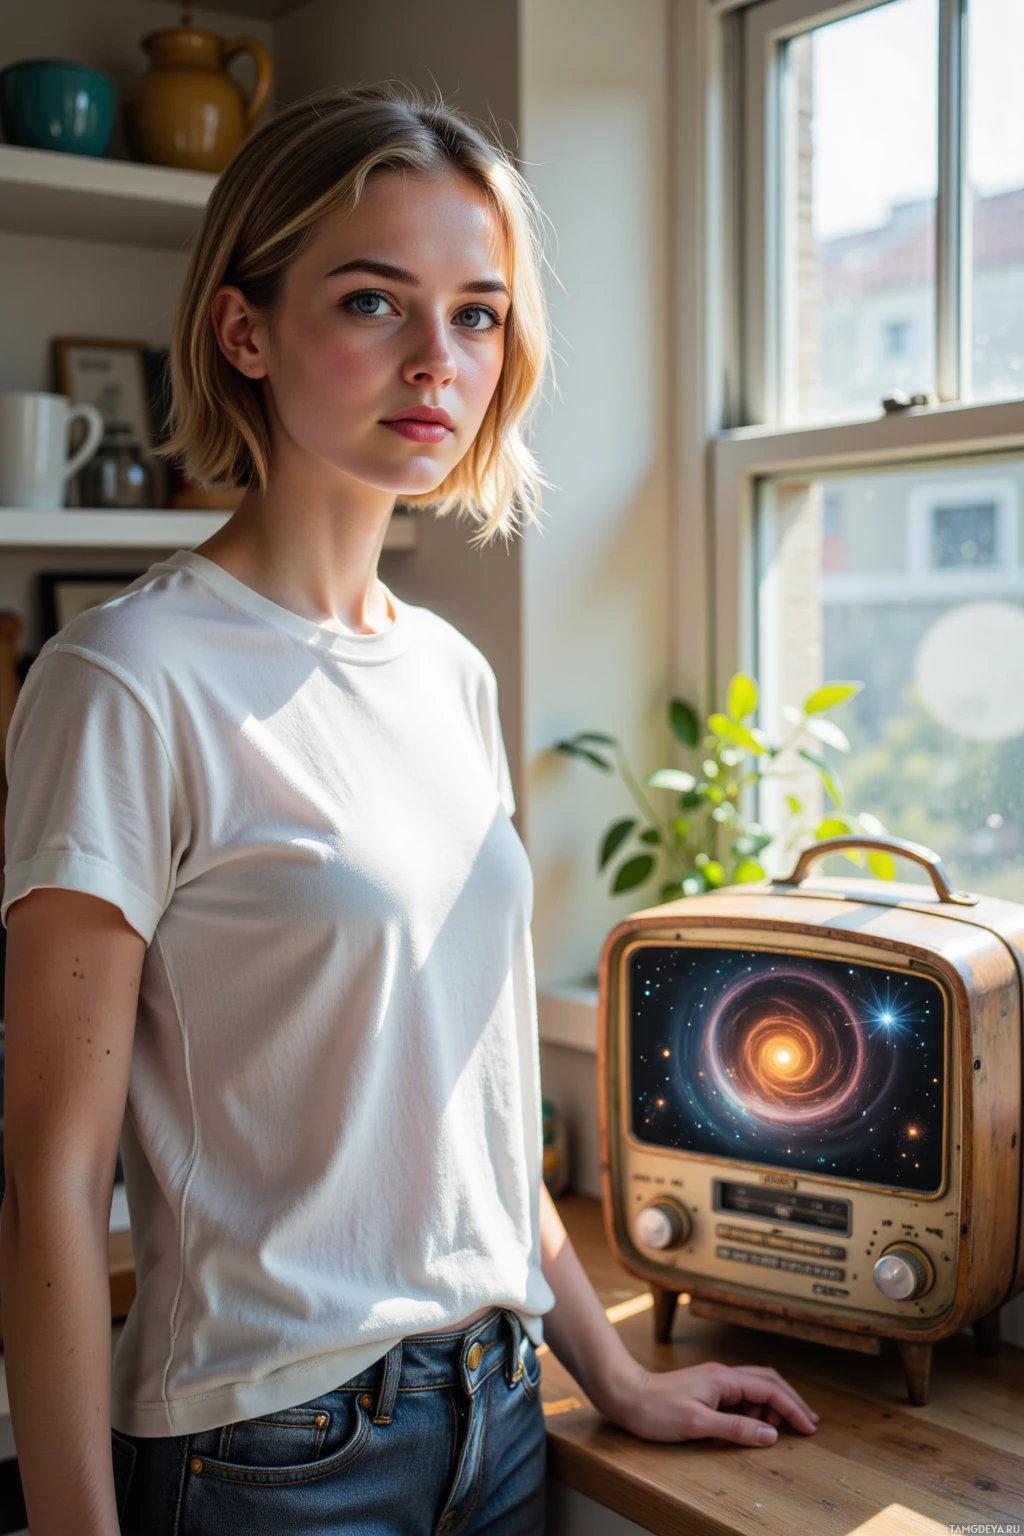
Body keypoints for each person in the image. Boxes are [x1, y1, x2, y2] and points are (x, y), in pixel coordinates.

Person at [0, 83, 819, 1536]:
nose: (439, 362)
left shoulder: (448, 670)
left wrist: (611, 1374)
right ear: (245, 332)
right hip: (264, 1453)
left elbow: (476, 1114)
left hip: (498, 1418)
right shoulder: (124, 679)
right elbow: (49, 1179)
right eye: (376, 302)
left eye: (480, 314)